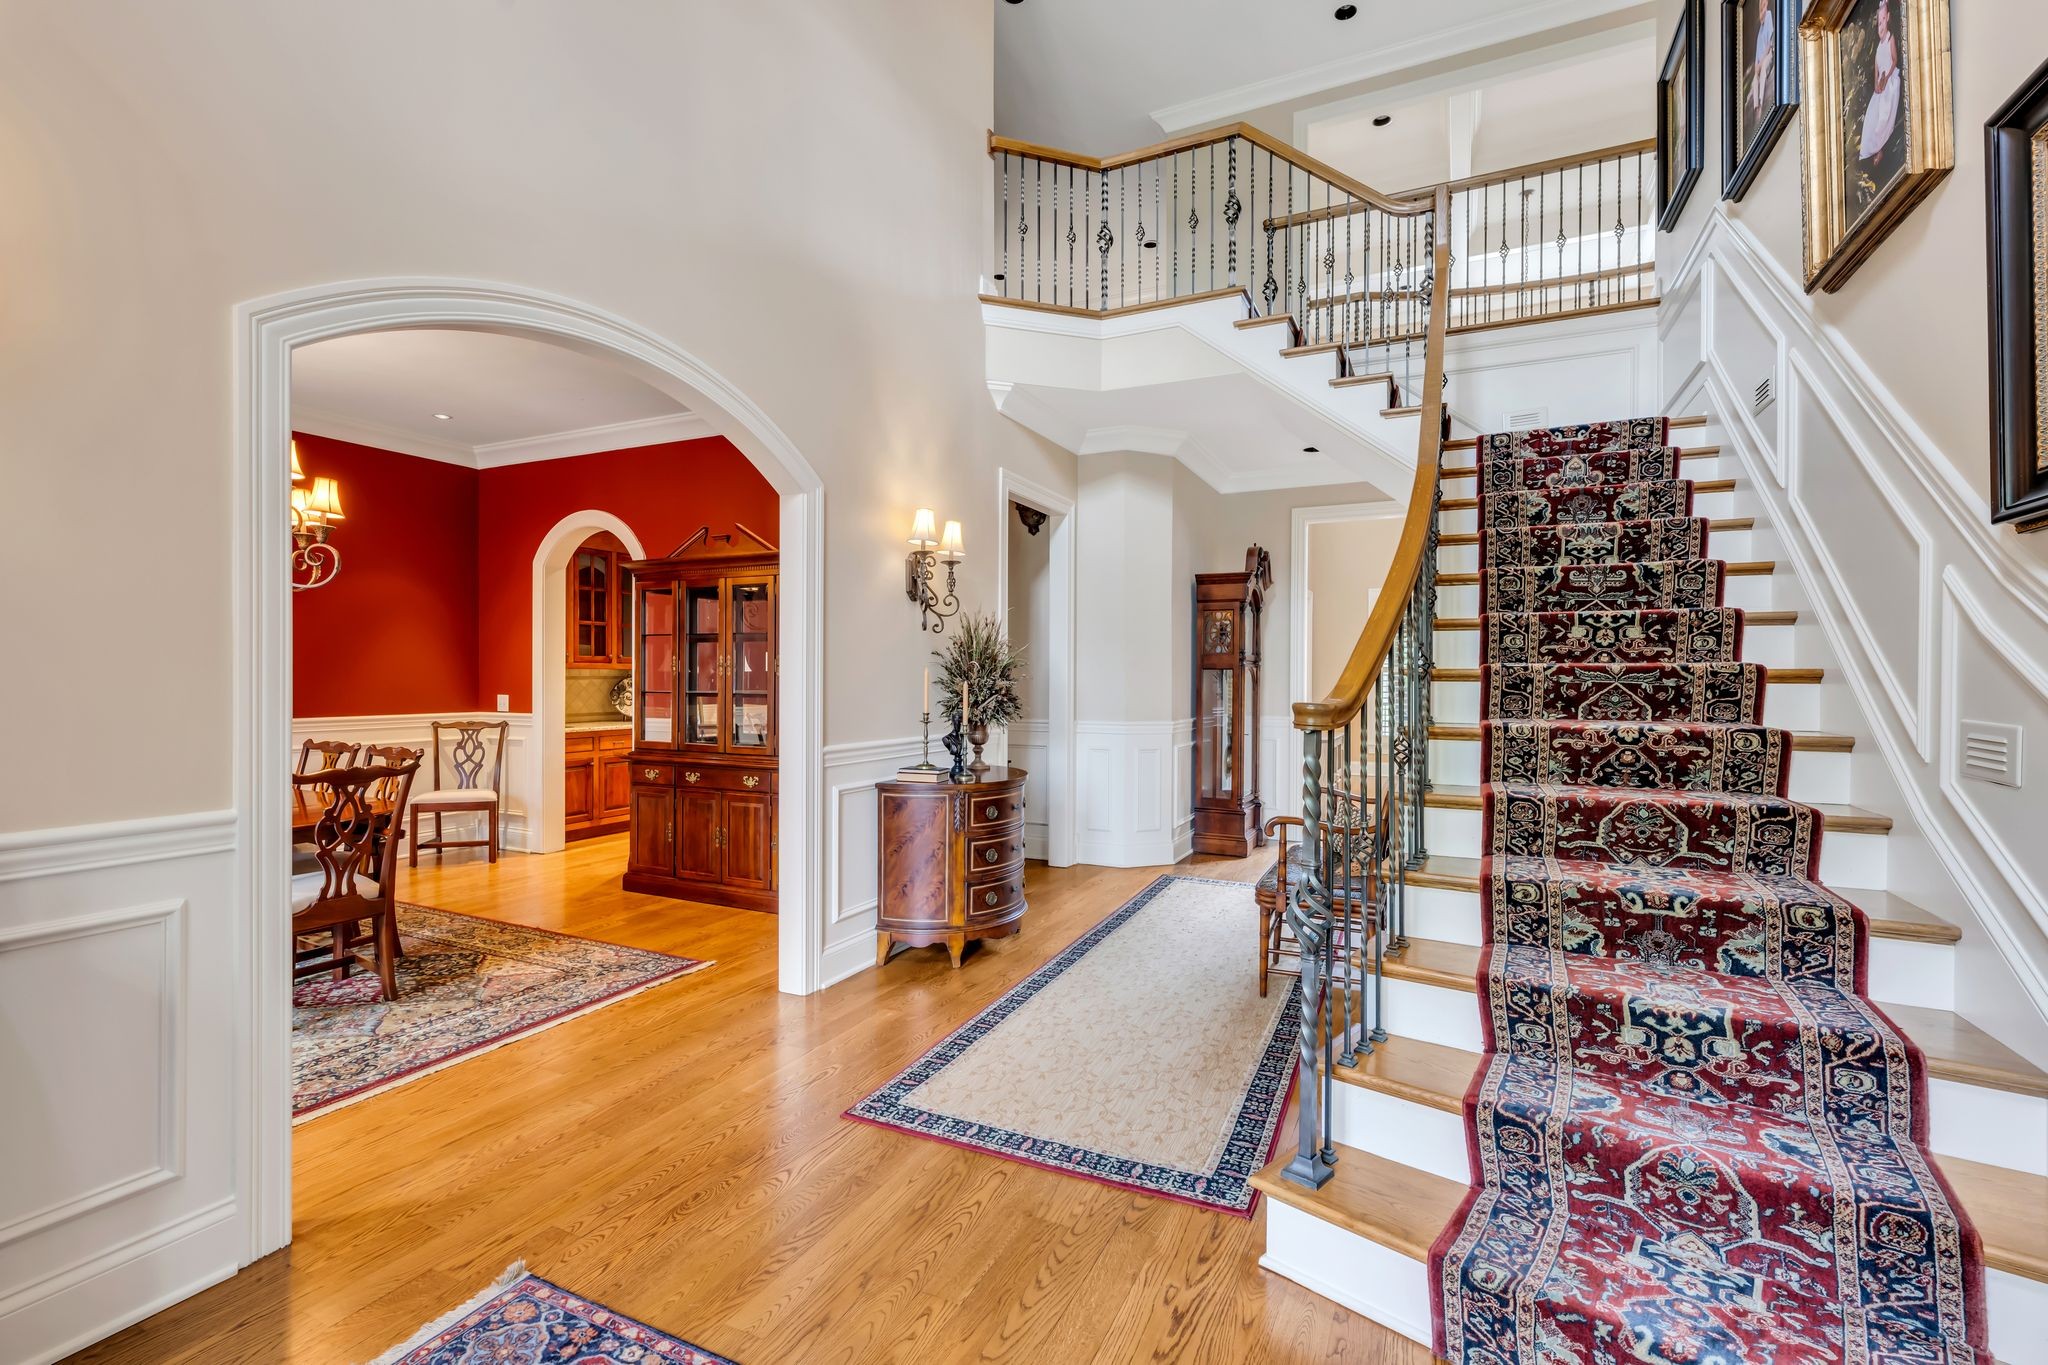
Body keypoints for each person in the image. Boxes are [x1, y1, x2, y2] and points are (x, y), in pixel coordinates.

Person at [1858, 0, 1901, 161]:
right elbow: (1876, 65)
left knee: (1884, 114)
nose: (1880, 26)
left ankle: (1879, 147)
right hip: (1880, 87)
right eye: (1878, 23)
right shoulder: (1878, 46)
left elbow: (1894, 60)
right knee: (1871, 116)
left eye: (1883, 21)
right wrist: (1877, 82)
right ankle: (1873, 148)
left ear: (1888, 18)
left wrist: (1886, 78)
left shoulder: (1890, 39)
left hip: (1889, 83)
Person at [1748, 0, 1775, 117]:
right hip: (1760, 60)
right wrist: (1755, 69)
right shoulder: (1760, 30)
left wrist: (1762, 62)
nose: (1762, 9)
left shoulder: (1769, 16)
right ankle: (1756, 107)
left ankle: (1761, 100)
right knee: (1755, 80)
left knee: (1763, 69)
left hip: (1768, 54)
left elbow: (1769, 44)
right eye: (1761, 7)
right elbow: (1756, 56)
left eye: (1764, 5)